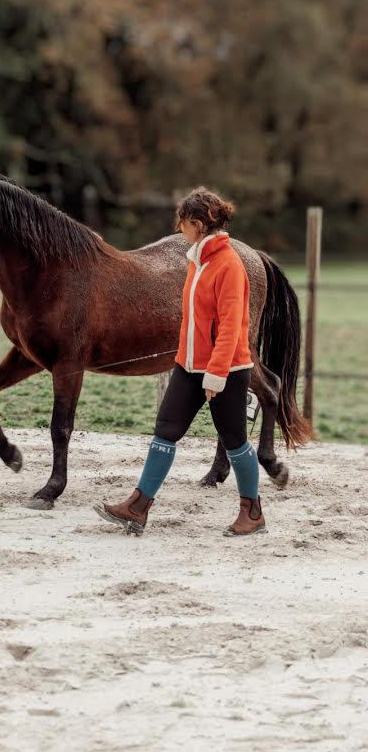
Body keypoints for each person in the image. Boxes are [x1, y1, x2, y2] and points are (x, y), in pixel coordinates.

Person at [94, 186, 266, 537]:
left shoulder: (228, 264)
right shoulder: (198, 260)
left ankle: (252, 513)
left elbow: (232, 326)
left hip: (227, 371)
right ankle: (138, 507)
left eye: (183, 223)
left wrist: (216, 374)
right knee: (165, 431)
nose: (179, 229)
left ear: (199, 223)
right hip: (188, 366)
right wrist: (185, 360)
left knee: (235, 441)